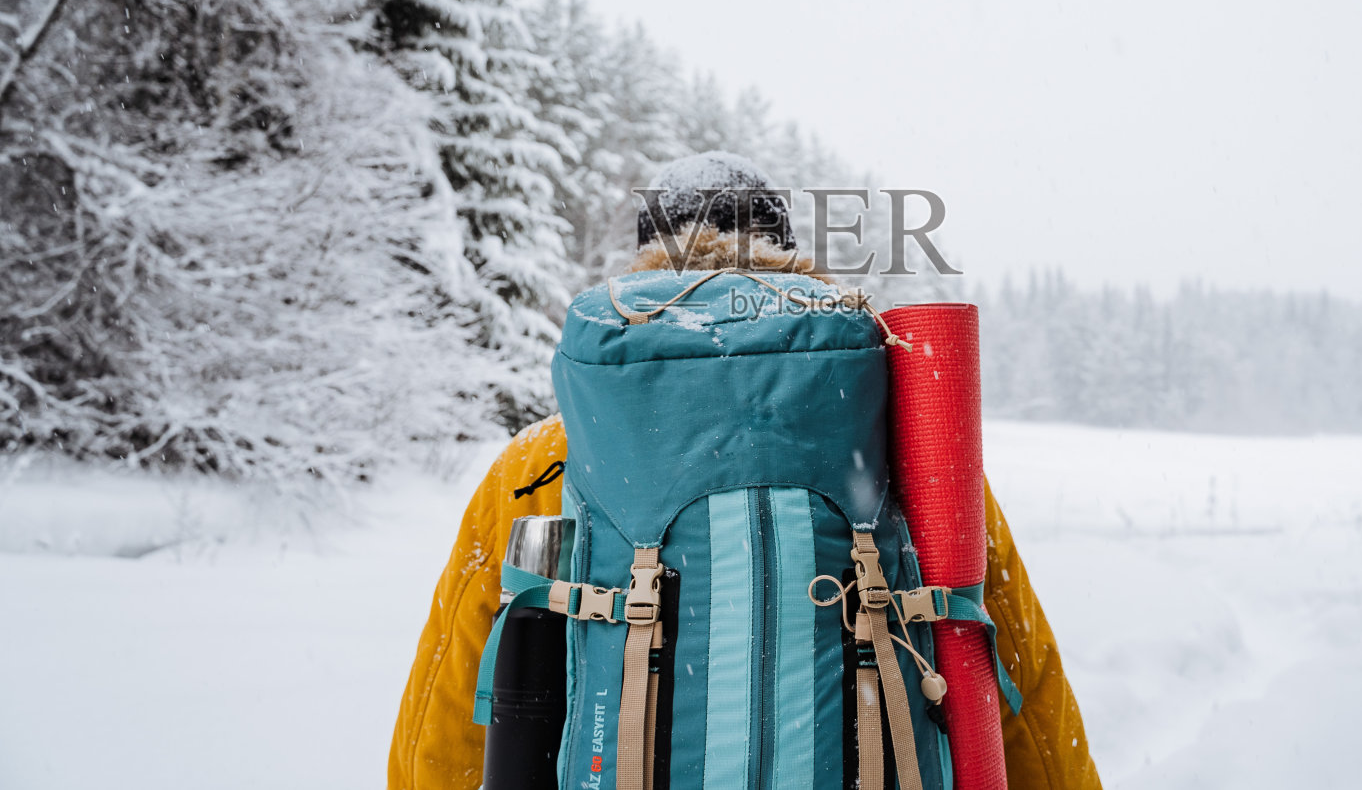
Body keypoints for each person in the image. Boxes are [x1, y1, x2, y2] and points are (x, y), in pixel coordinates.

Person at [388, 152, 1101, 790]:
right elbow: (1018, 693)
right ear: (788, 254)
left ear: (645, 265)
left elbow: (448, 710)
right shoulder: (912, 449)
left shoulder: (548, 458)